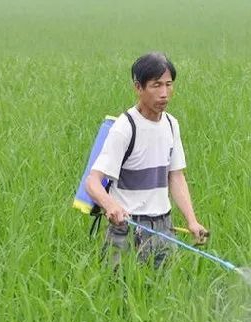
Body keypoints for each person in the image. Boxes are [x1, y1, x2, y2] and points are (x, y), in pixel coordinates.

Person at [85, 52, 206, 268]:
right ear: (138, 87)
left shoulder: (171, 124)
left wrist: (192, 221)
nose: (164, 94)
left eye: (168, 85)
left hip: (163, 227)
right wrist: (110, 205)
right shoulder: (125, 128)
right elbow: (93, 182)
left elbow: (176, 176)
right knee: (120, 293)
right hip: (127, 227)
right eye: (156, 85)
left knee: (164, 294)